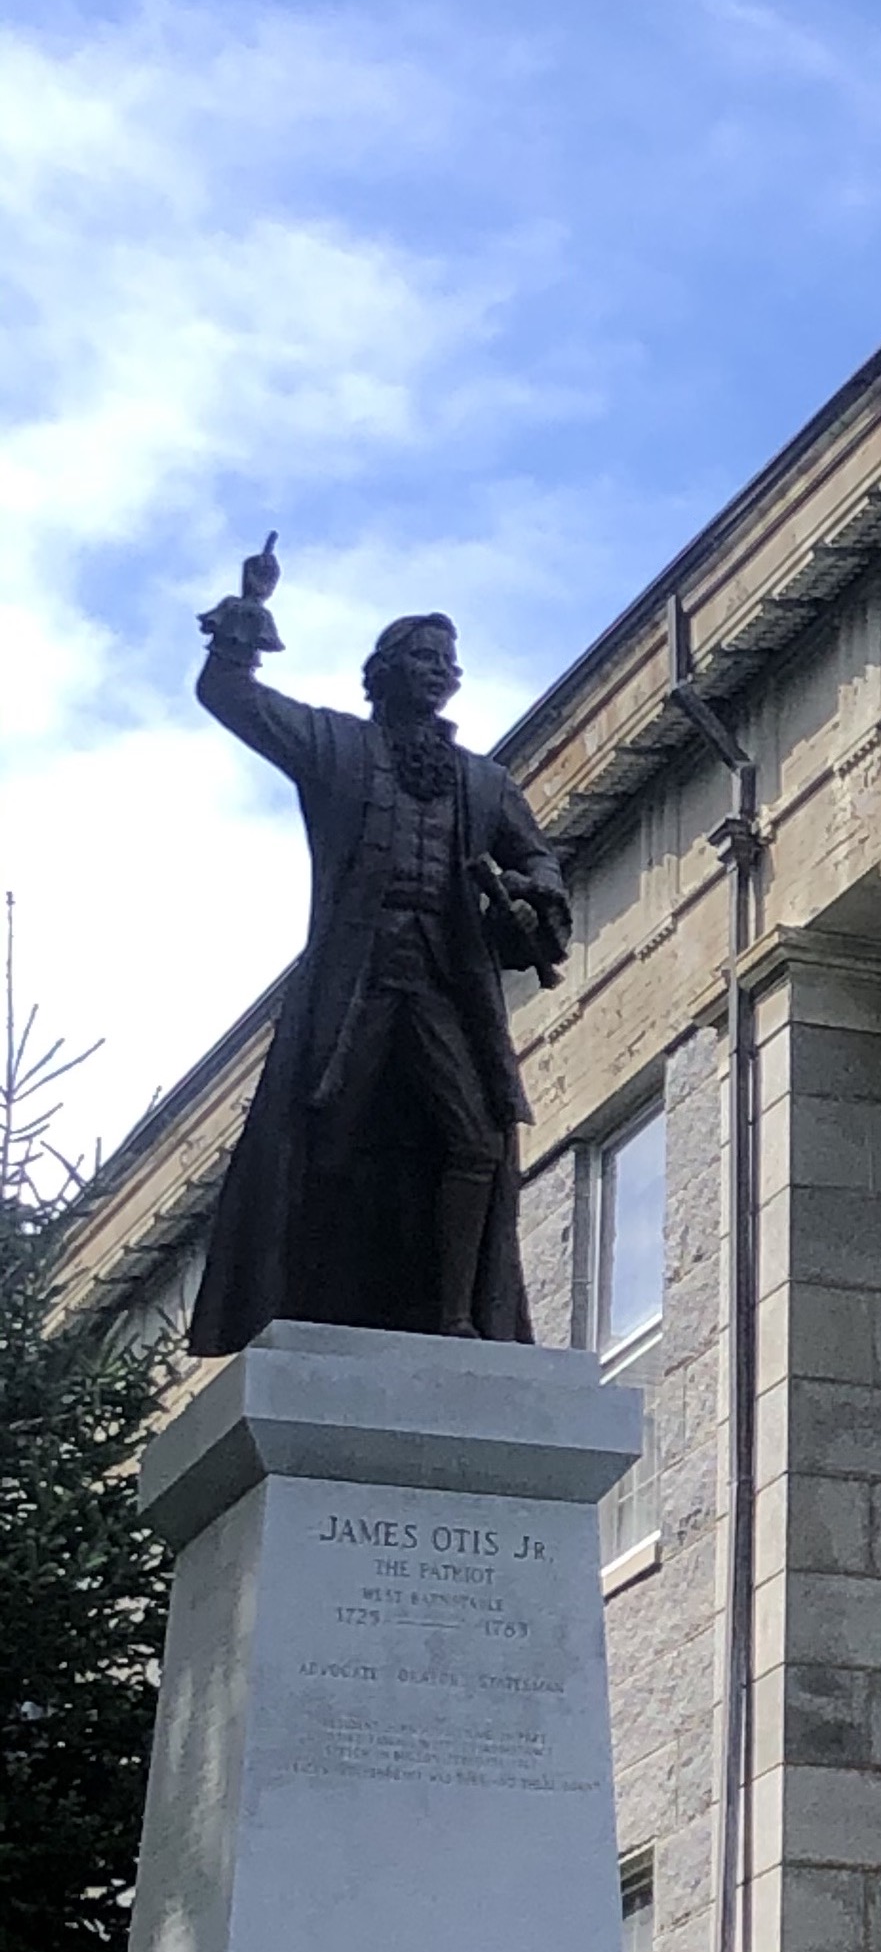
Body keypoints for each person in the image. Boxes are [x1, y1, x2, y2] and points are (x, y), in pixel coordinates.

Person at [188, 536, 571, 1355]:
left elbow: (537, 857)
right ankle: (317, 1299)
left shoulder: (484, 782)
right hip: (355, 978)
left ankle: (458, 1313)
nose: (440, 670)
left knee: (473, 1138)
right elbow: (229, 694)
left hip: (443, 980)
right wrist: (247, 614)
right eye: (423, 656)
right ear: (386, 670)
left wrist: (536, 895)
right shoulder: (336, 745)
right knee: (332, 1140)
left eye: (449, 660)